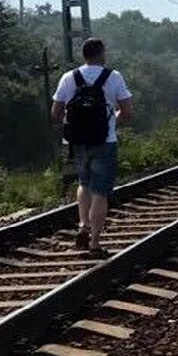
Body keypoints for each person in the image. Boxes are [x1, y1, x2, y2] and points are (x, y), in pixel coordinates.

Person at [51, 38, 132, 258]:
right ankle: (95, 242)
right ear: (101, 53)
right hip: (105, 140)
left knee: (84, 183)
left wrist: (74, 125)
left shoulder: (69, 77)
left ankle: (83, 225)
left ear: (84, 54)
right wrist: (112, 119)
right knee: (100, 193)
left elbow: (56, 113)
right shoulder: (113, 77)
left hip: (77, 142)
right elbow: (127, 111)